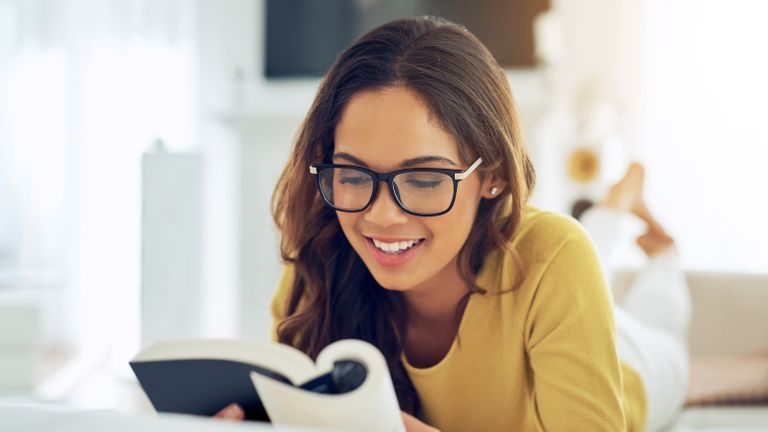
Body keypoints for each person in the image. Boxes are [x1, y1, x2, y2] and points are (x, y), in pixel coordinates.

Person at [215, 16, 688, 431]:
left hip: (640, 367)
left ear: (493, 176)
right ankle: (615, 207)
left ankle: (662, 250)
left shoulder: (556, 255)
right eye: (355, 175)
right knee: (591, 250)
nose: (380, 215)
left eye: (423, 178)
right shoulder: (319, 261)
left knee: (653, 313)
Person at [576, 162, 692, 432]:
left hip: (629, 369)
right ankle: (661, 251)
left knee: (573, 283)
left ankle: (659, 249)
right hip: (636, 365)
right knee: (666, 335)